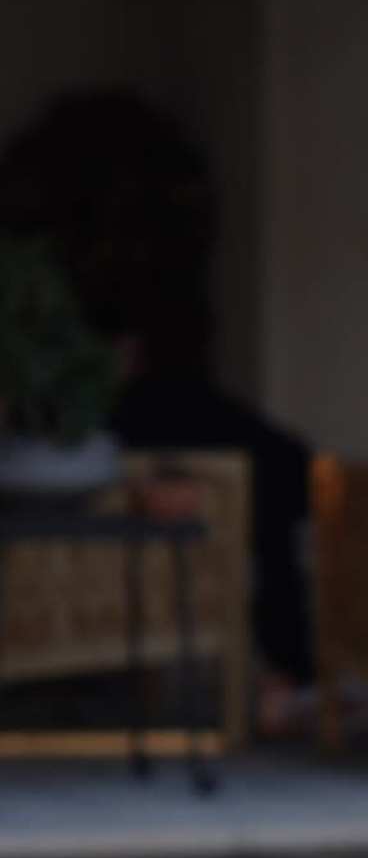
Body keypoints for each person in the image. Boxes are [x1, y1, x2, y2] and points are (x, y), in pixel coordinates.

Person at [0, 89, 315, 703]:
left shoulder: (140, 289)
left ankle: (289, 671)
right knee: (273, 472)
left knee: (280, 471)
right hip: (98, 423)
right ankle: (289, 672)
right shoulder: (32, 283)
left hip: (147, 406)